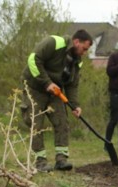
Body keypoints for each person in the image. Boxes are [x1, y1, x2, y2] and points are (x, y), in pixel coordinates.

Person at [21, 29, 93, 172]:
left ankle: (61, 160)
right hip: (35, 88)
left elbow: (72, 85)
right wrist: (47, 83)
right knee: (36, 123)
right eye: (84, 48)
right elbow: (33, 60)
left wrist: (75, 105)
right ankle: (40, 162)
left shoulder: (78, 62)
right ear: (76, 42)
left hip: (55, 92)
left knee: (62, 122)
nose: (85, 52)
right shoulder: (53, 42)